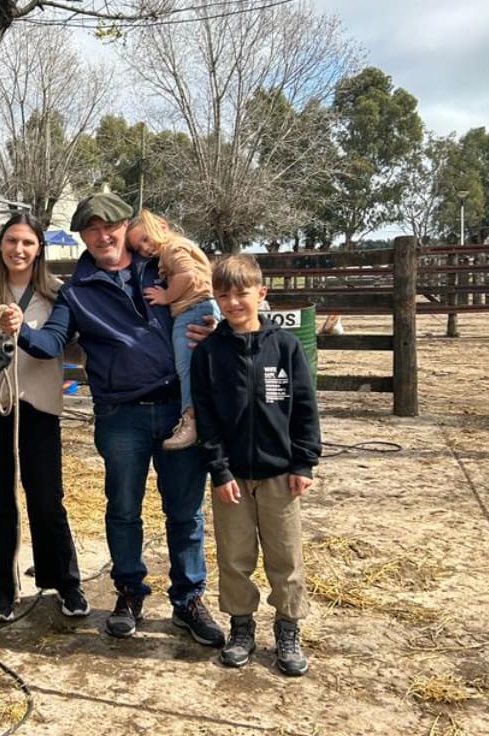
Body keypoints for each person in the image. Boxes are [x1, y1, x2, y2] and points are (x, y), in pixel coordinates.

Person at [6, 192, 224, 648]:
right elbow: (51, 344)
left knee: (185, 512)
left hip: (178, 409)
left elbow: (210, 293)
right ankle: (129, 592)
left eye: (111, 227)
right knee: (123, 509)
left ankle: (188, 599)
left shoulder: (160, 264)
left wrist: (216, 329)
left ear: (127, 226)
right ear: (82, 237)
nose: (103, 236)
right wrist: (19, 330)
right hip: (121, 413)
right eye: (92, 230)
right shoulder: (77, 292)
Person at [0, 213, 90, 623]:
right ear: (0, 245)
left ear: (39, 248)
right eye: (12, 240)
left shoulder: (58, 295)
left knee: (46, 500)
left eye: (28, 242)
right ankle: (3, 587)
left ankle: (64, 581)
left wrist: (20, 328)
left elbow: (54, 344)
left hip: (38, 409)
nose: (19, 249)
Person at [190, 253, 322, 676]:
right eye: (223, 295)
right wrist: (219, 469)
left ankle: (288, 627)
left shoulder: (285, 347)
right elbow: (206, 417)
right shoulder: (209, 353)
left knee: (286, 555)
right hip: (232, 477)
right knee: (234, 556)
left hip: (281, 474)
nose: (232, 303)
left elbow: (305, 407)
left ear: (261, 293)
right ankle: (241, 626)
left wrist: (304, 462)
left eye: (241, 293)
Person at [126, 210, 221, 450]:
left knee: (185, 367)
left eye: (145, 239)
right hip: (202, 307)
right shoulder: (180, 246)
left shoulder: (172, 248)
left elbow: (186, 274)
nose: (145, 249)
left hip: (192, 310)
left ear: (162, 226)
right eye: (138, 248)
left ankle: (191, 419)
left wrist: (167, 296)